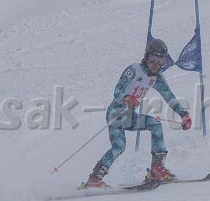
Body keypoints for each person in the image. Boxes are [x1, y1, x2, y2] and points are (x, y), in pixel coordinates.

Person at [80, 39, 192, 189]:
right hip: (116, 114)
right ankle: (95, 178)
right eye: (153, 59)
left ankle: (157, 169)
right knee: (119, 146)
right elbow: (117, 91)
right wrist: (126, 98)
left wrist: (183, 114)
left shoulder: (157, 78)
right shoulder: (133, 70)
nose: (156, 64)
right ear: (146, 56)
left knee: (155, 124)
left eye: (160, 61)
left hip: (129, 117)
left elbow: (169, 96)